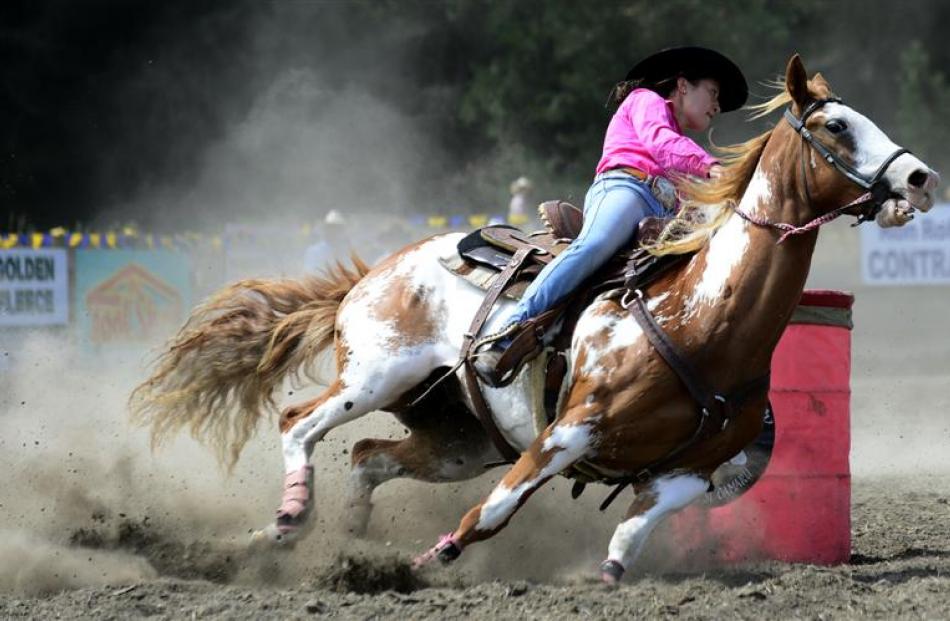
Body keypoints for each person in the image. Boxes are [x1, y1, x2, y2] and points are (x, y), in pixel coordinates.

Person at [474, 46, 748, 384]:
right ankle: (507, 333)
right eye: (713, 92)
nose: (717, 106)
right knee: (597, 244)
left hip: (662, 209)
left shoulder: (680, 145)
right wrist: (713, 168)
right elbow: (659, 142)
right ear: (682, 86)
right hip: (626, 189)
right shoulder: (646, 100)